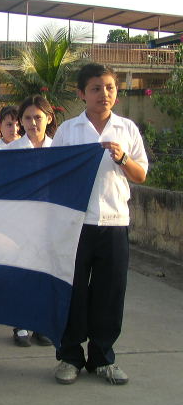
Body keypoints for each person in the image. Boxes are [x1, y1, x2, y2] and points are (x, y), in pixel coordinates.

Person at [52, 63, 148, 386]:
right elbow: (55, 173)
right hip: (76, 225)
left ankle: (103, 358)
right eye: (95, 88)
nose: (103, 94)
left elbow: (141, 174)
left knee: (109, 294)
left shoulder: (127, 129)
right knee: (73, 292)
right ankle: (70, 357)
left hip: (115, 222)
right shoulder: (68, 130)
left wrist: (122, 158)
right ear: (82, 94)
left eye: (109, 87)